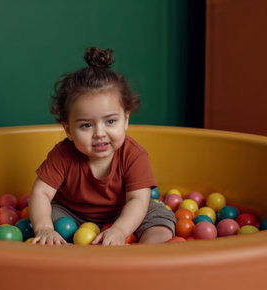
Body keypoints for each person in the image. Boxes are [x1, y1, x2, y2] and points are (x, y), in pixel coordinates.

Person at [29, 46, 176, 246]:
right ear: (68, 129)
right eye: (86, 125)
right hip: (72, 216)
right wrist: (44, 228)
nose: (100, 133)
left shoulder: (134, 155)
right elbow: (41, 193)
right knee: (49, 216)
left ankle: (141, 257)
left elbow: (137, 200)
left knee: (160, 221)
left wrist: (119, 231)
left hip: (124, 214)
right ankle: (67, 248)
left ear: (125, 119)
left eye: (110, 122)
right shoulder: (62, 154)